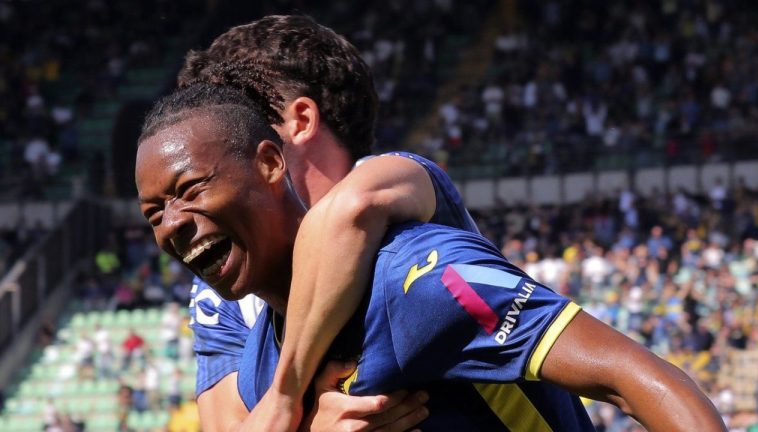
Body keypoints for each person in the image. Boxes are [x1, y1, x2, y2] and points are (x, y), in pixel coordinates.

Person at [135, 82, 726, 431]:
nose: (174, 226)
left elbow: (635, 378)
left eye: (190, 191)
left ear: (269, 163)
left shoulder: (413, 277)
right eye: (154, 214)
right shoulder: (261, 361)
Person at [177, 15, 478, 431]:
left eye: (226, 134)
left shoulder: (395, 187)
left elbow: (349, 213)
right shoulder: (223, 292)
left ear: (299, 121)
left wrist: (286, 399)